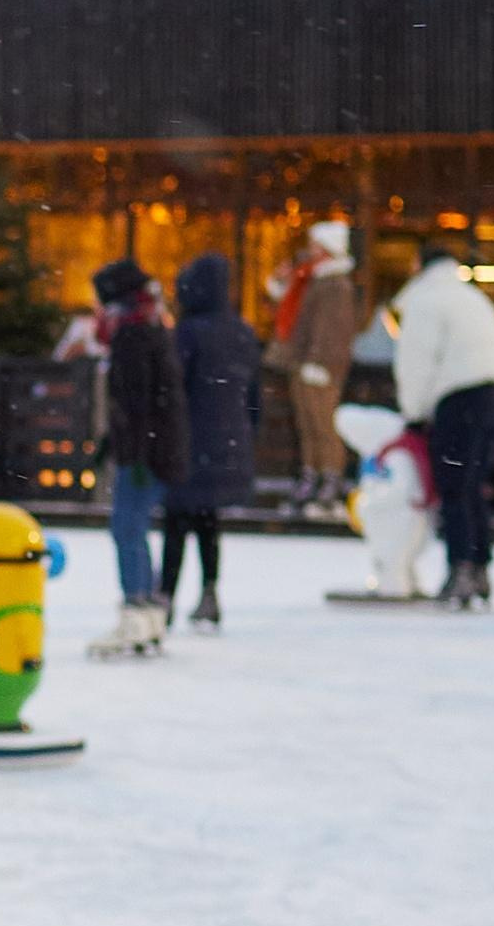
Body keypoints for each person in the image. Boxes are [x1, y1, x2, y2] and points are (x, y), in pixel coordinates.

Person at [394, 236, 494, 608]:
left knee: (453, 486)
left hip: (459, 396)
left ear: (421, 264)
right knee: (473, 483)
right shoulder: (471, 296)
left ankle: (460, 568)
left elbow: (416, 360)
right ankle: (479, 568)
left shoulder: (425, 300)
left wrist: (414, 413)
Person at [88, 258, 187, 654]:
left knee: (126, 528)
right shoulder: (150, 329)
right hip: (152, 448)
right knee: (135, 528)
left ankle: (136, 613)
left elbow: (137, 402)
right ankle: (147, 616)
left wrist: (134, 451)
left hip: (145, 452)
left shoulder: (132, 336)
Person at [157, 252, 260, 627]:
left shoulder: (188, 333)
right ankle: (210, 592)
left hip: (189, 441)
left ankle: (164, 595)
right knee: (207, 521)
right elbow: (253, 396)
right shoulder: (242, 332)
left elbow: (174, 388)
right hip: (227, 441)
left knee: (176, 519)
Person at [268, 220, 359, 508]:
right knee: (308, 424)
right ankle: (312, 474)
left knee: (323, 424)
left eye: (315, 247)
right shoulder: (311, 280)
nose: (309, 252)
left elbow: (332, 328)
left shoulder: (336, 285)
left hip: (321, 367)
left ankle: (330, 477)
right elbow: (291, 312)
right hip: (303, 362)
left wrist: (319, 362)